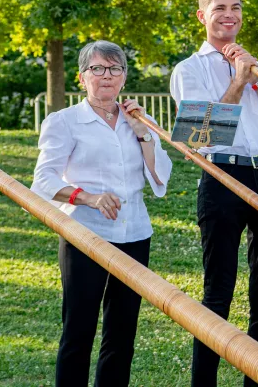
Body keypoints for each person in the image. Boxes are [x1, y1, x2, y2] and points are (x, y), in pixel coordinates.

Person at [170, 0, 258, 387]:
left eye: (236, 8)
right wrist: (240, 80)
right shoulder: (188, 69)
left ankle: (257, 382)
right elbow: (201, 134)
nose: (230, 15)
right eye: (221, 8)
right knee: (218, 292)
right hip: (222, 175)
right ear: (202, 16)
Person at [31, 40, 172, 387]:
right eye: (97, 69)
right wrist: (88, 198)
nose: (106, 76)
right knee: (78, 332)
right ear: (82, 78)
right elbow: (43, 180)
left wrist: (144, 136)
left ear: (123, 78)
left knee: (122, 335)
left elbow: (160, 176)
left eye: (114, 69)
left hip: (135, 234)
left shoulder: (141, 119)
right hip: (86, 236)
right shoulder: (64, 121)